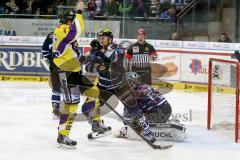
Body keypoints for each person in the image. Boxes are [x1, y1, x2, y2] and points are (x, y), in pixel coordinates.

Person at [84, 29, 157, 143]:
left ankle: (147, 132)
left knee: (134, 109)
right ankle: (98, 127)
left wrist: (100, 55)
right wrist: (98, 66)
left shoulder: (119, 50)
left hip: (120, 85)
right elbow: (87, 67)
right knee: (87, 108)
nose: (100, 40)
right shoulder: (96, 49)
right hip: (102, 86)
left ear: (110, 39)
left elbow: (114, 67)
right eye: (99, 38)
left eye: (103, 38)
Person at [52, 9, 86, 149]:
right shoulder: (64, 30)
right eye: (72, 20)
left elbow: (71, 49)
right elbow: (79, 30)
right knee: (70, 105)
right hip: (65, 71)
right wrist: (79, 15)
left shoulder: (64, 29)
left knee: (72, 104)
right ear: (68, 20)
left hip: (71, 70)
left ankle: (63, 134)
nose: (73, 23)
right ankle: (63, 135)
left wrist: (79, 61)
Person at [41, 32, 62, 119]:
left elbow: (44, 51)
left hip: (57, 65)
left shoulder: (50, 35)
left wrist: (50, 59)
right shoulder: (68, 34)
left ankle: (56, 109)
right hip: (63, 65)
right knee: (62, 87)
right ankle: (57, 109)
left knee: (58, 88)